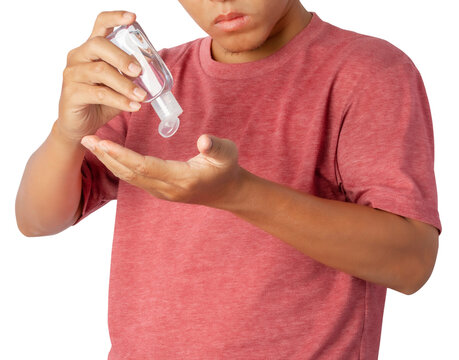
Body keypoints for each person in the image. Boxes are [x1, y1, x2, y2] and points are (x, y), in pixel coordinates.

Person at [16, 1, 441, 359]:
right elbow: (37, 220)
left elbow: (411, 262)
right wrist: (66, 134)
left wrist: (240, 194)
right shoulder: (149, 83)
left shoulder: (368, 72)